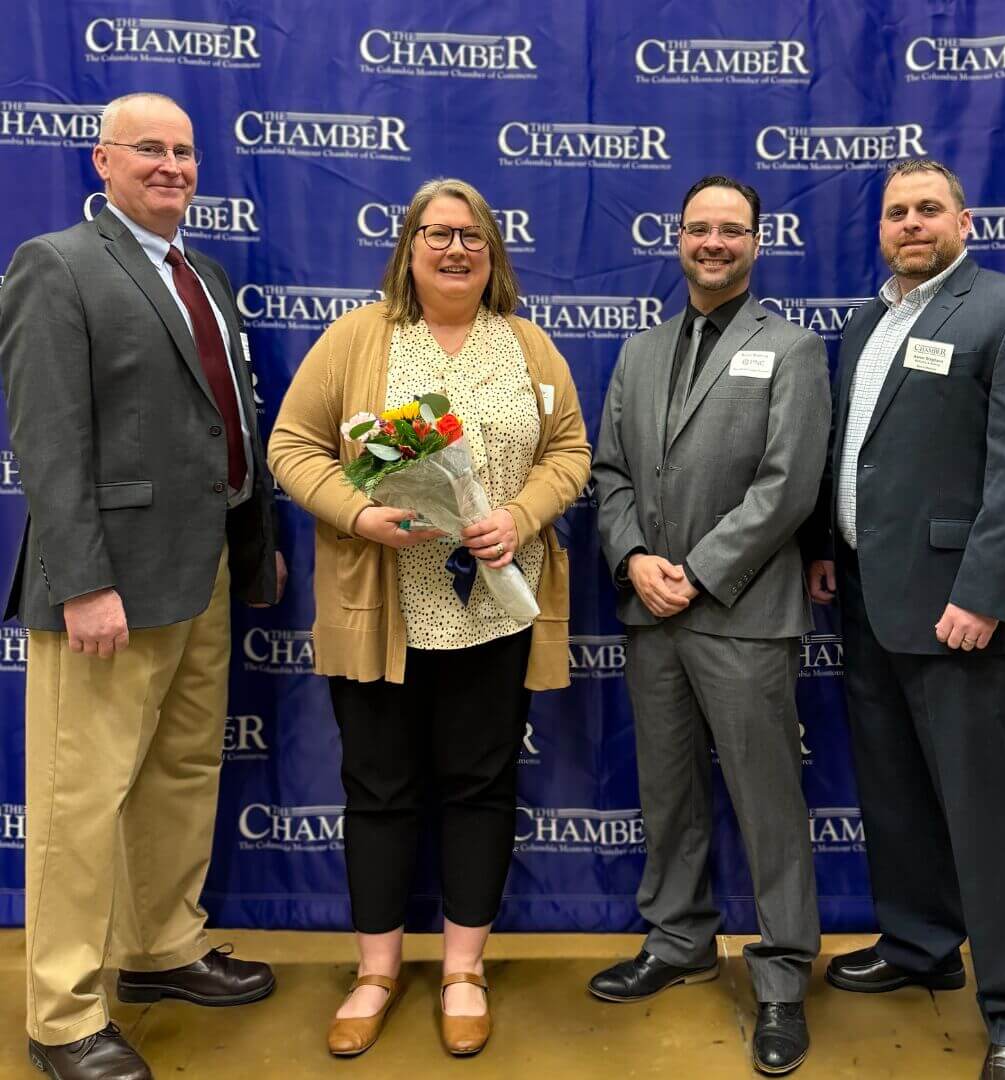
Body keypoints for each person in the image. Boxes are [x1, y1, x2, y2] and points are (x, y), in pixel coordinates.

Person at [268, 177, 589, 1058]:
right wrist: (357, 513)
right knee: (377, 788)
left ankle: (460, 971)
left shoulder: (527, 346)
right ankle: (375, 973)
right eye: (438, 234)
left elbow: (571, 452)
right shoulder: (358, 339)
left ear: (495, 254)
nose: (456, 250)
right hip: (385, 608)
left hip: (495, 608)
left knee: (480, 787)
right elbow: (291, 445)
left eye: (473, 237)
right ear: (408, 248)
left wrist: (520, 516)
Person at [0, 92, 286, 1080]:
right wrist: (81, 581)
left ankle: (161, 947)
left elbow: (227, 422)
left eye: (185, 150)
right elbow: (46, 439)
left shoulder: (202, 273)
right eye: (150, 150)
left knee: (179, 772)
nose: (173, 166)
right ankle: (63, 1013)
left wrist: (254, 547)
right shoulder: (57, 266)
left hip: (200, 568)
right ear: (103, 161)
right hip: (107, 587)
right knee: (79, 801)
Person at [803, 158, 1005, 1080]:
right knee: (896, 795)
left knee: (986, 815)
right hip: (871, 604)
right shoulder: (865, 323)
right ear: (880, 231)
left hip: (963, 611)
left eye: (928, 209)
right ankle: (919, 944)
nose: (911, 224)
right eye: (896, 213)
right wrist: (824, 552)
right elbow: (860, 457)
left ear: (966, 220)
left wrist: (984, 593)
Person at [590, 174, 830, 1076]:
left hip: (743, 615)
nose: (714, 243)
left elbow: (788, 486)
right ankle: (679, 938)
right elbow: (609, 474)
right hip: (651, 613)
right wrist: (634, 562)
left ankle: (780, 979)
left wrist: (696, 572)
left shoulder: (794, 349)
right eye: (700, 229)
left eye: (732, 230)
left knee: (768, 805)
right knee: (669, 793)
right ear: (678, 239)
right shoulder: (642, 350)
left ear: (756, 243)